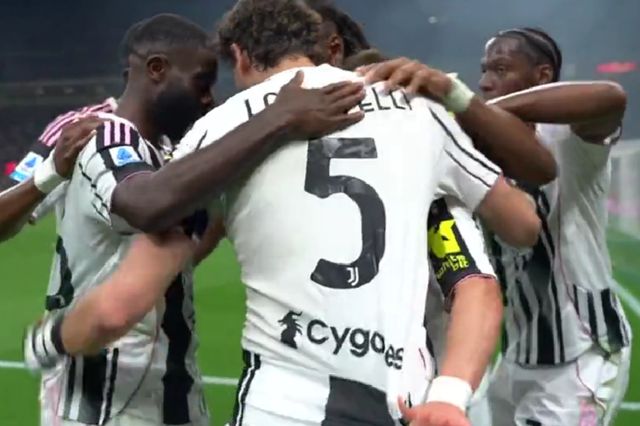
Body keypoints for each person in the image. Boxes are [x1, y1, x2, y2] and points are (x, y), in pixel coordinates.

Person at [24, 11, 366, 426]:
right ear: (156, 70)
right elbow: (145, 207)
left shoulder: (174, 149)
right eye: (202, 84)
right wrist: (277, 118)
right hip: (102, 391)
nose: (209, 99)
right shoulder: (104, 134)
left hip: (169, 384)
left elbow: (180, 242)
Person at [476, 27, 631, 426]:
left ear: (542, 75)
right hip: (517, 353)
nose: (485, 81)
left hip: (580, 353)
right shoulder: (481, 146)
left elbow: (611, 96)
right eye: (484, 70)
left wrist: (478, 109)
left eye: (501, 68)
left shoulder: (569, 138)